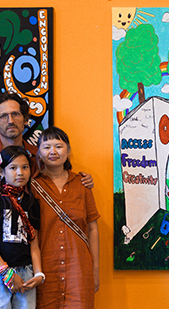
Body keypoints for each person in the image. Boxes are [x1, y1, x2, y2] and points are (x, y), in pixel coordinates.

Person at [0, 93, 93, 306]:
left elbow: (55, 178)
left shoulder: (37, 156)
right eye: (4, 116)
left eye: (16, 114)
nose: (10, 120)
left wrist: (81, 179)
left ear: (25, 119)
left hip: (25, 257)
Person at [31, 127, 100, 309]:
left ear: (68, 151)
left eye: (59, 146)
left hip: (79, 271)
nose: (53, 152)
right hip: (45, 270)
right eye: (46, 147)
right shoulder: (32, 187)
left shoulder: (82, 184)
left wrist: (95, 270)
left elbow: (92, 228)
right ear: (39, 152)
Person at [0, 146, 45, 309]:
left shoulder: (32, 203)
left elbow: (34, 246)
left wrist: (39, 273)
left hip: (25, 274)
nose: (20, 172)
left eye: (25, 167)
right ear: (1, 172)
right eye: (13, 168)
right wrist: (6, 273)